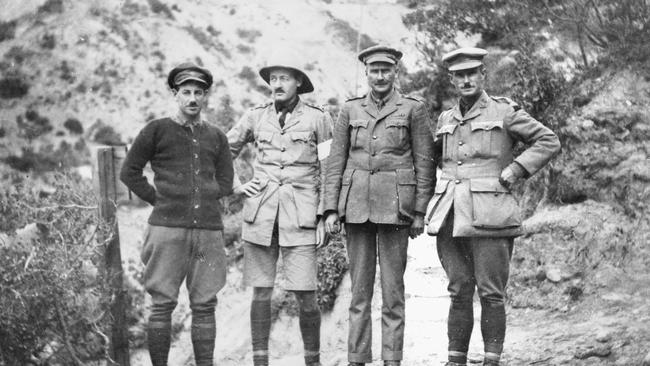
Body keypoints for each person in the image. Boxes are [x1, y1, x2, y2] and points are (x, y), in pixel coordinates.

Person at [425, 47, 561, 366]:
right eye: (460, 75)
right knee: (458, 290)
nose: (466, 80)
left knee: (490, 292)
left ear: (483, 75)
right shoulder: (446, 118)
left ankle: (491, 360)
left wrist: (515, 170)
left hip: (491, 213)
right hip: (450, 216)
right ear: (452, 80)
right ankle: (455, 359)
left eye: (472, 73)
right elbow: (432, 158)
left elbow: (548, 140)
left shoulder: (504, 111)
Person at [323, 45, 435, 366]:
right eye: (375, 70)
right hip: (356, 207)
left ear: (396, 73)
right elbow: (336, 161)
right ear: (367, 74)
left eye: (387, 70)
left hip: (396, 210)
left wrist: (419, 212)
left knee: (393, 293)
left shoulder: (413, 109)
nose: (381, 76)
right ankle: (357, 359)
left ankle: (392, 360)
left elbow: (425, 163)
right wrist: (331, 208)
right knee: (359, 294)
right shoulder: (350, 110)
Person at [120, 62, 234, 366]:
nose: (193, 98)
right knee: (161, 304)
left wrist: (210, 195)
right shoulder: (156, 129)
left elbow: (225, 180)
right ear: (176, 94)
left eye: (199, 92)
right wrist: (159, 199)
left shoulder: (217, 136)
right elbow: (129, 172)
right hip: (166, 230)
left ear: (206, 96)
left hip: (208, 231)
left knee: (205, 304)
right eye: (186, 92)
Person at [227, 54, 333, 366]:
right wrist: (235, 186)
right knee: (261, 293)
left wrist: (325, 216)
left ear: (298, 82)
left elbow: (329, 170)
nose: (277, 85)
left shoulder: (318, 118)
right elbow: (221, 151)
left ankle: (312, 361)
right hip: (260, 216)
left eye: (283, 78)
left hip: (301, 217)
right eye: (273, 79)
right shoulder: (255, 116)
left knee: (306, 295)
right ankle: (261, 361)